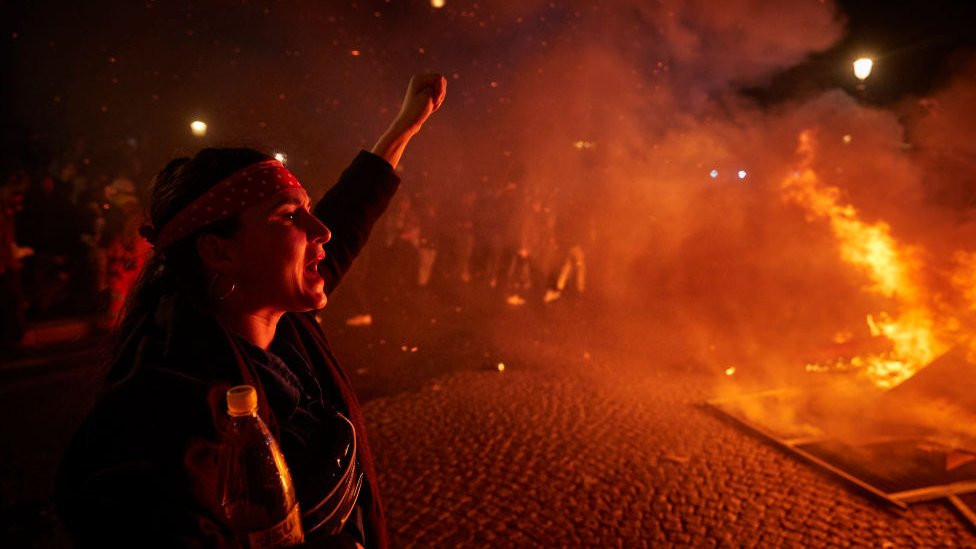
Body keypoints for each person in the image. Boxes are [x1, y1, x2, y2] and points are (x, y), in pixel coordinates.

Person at [55, 73, 446, 548]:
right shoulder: (170, 403)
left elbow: (348, 213)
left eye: (307, 209)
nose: (320, 230)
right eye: (288, 216)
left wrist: (404, 128)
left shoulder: (283, 321)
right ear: (220, 252)